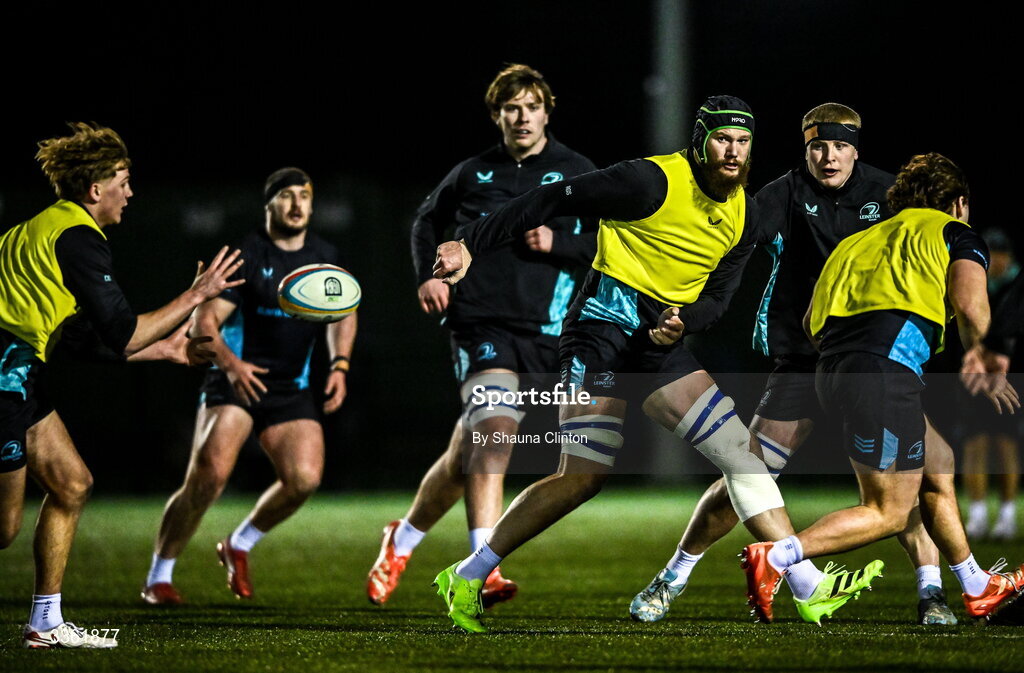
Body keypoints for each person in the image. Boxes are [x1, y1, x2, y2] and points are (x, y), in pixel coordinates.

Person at [429, 95, 882, 634]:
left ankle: (807, 588)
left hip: (657, 346)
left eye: (742, 142)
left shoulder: (744, 212)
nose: (733, 152)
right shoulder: (651, 181)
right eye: (722, 139)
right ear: (700, 140)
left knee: (741, 454)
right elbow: (550, 198)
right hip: (598, 333)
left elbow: (717, 298)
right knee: (582, 479)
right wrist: (467, 243)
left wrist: (684, 323)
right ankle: (468, 573)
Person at [630, 103, 958, 626]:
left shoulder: (890, 195)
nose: (829, 157)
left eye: (840, 146)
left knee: (906, 478)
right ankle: (672, 577)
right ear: (805, 149)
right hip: (803, 363)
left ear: (857, 148)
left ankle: (931, 592)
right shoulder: (782, 194)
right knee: (748, 472)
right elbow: (726, 245)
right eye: (817, 147)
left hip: (872, 361)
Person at [741, 152, 1024, 624]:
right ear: (959, 204)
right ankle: (777, 558)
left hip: (832, 369)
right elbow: (972, 304)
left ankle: (977, 586)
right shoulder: (955, 233)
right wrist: (983, 355)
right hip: (883, 372)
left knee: (939, 463)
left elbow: (813, 322)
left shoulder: (857, 241)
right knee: (889, 510)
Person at [0, 122, 242, 648]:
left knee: (71, 484)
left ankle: (44, 624)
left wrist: (171, 347)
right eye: (123, 181)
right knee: (3, 528)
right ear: (96, 189)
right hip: (5, 373)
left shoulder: (38, 230)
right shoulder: (80, 237)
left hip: (21, 370)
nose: (130, 193)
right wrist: (195, 295)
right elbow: (124, 332)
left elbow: (85, 338)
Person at [366, 64, 597, 607]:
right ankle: (483, 569)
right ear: (496, 115)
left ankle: (400, 539)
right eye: (510, 108)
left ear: (547, 111)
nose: (521, 117)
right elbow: (425, 222)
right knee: (494, 437)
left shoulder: (577, 172)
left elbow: (611, 242)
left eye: (531, 106)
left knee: (464, 456)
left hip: (546, 333)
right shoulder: (472, 173)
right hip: (480, 325)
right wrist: (428, 273)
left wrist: (558, 241)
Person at [141, 167, 356, 604]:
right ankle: (158, 576)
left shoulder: (324, 257)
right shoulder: (246, 253)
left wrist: (339, 365)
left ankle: (239, 543)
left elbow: (345, 310)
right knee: (208, 478)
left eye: (304, 196)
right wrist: (234, 365)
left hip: (288, 387)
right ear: (269, 204)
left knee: (304, 479)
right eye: (287, 196)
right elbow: (205, 323)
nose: (297, 204)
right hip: (233, 379)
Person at [960, 229, 1020, 541]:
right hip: (977, 375)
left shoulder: (1016, 283)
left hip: (1011, 375)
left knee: (1006, 442)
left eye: (1000, 254)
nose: (995, 260)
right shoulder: (972, 278)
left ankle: (1008, 514)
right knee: (975, 441)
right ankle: (979, 514)